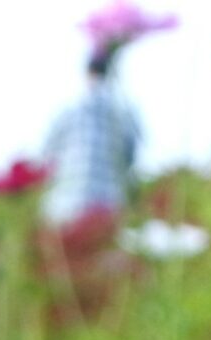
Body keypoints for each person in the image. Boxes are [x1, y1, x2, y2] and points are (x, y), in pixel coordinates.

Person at [41, 42, 144, 226]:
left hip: (66, 202)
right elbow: (131, 154)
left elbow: (48, 153)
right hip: (109, 203)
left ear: (87, 71)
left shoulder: (70, 107)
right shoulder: (123, 110)